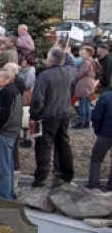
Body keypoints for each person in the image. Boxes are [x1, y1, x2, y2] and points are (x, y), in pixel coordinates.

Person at [29, 47, 77, 188]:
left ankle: (41, 177)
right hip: (64, 112)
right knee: (63, 143)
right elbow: (71, 90)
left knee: (44, 145)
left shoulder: (45, 75)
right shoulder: (68, 72)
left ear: (50, 59)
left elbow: (38, 99)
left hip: (49, 115)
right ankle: (66, 174)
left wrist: (33, 115)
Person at [0, 69, 23, 200]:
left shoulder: (6, 93)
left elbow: (5, 114)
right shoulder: (14, 90)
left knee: (2, 168)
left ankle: (4, 197)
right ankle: (9, 193)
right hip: (11, 132)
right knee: (8, 165)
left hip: (4, 133)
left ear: (7, 79)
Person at [88, 88, 112, 190]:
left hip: (105, 133)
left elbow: (96, 117)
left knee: (96, 159)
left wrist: (98, 130)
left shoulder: (105, 97)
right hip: (105, 132)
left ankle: (94, 184)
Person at [74, 45, 98, 128]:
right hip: (90, 82)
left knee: (82, 103)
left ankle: (81, 121)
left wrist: (74, 78)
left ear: (88, 54)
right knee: (87, 103)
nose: (81, 54)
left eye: (83, 53)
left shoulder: (85, 62)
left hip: (84, 83)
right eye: (81, 52)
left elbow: (80, 73)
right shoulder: (92, 61)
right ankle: (87, 121)